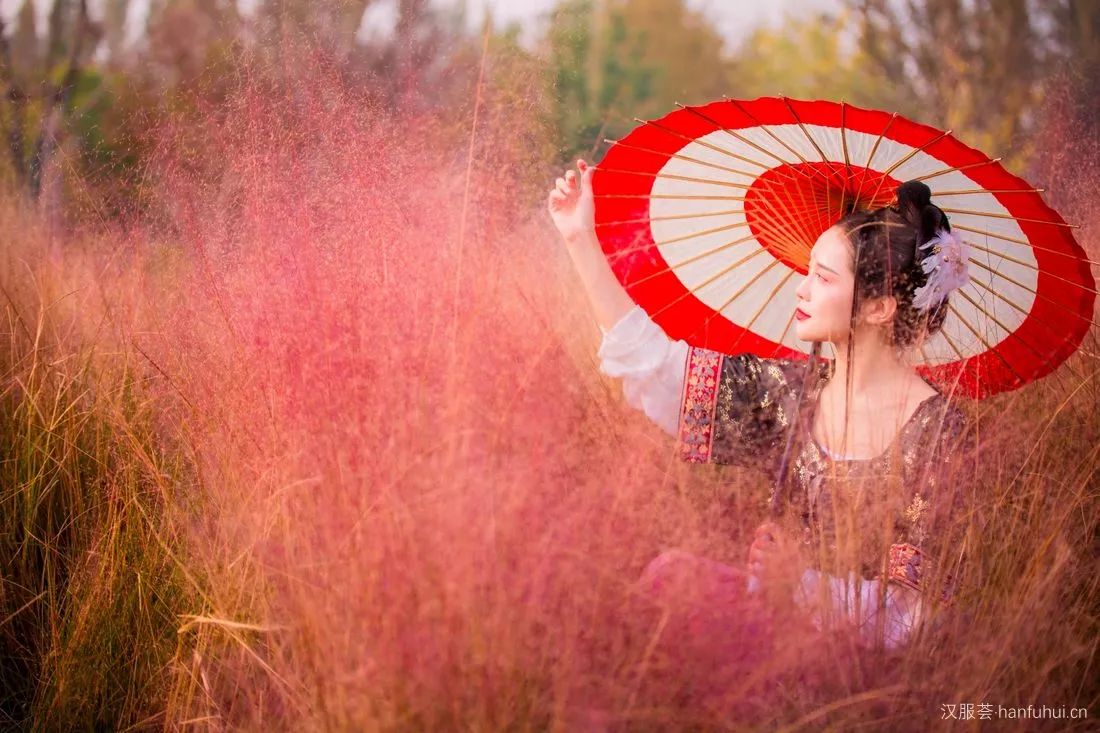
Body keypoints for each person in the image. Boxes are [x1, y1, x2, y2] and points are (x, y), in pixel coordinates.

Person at [547, 159, 975, 658]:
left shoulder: (940, 433)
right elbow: (663, 373)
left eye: (824, 277)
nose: (802, 288)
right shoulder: (794, 392)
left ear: (879, 307)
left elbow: (914, 613)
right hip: (773, 624)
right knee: (672, 577)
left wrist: (803, 583)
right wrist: (580, 240)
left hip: (857, 669)